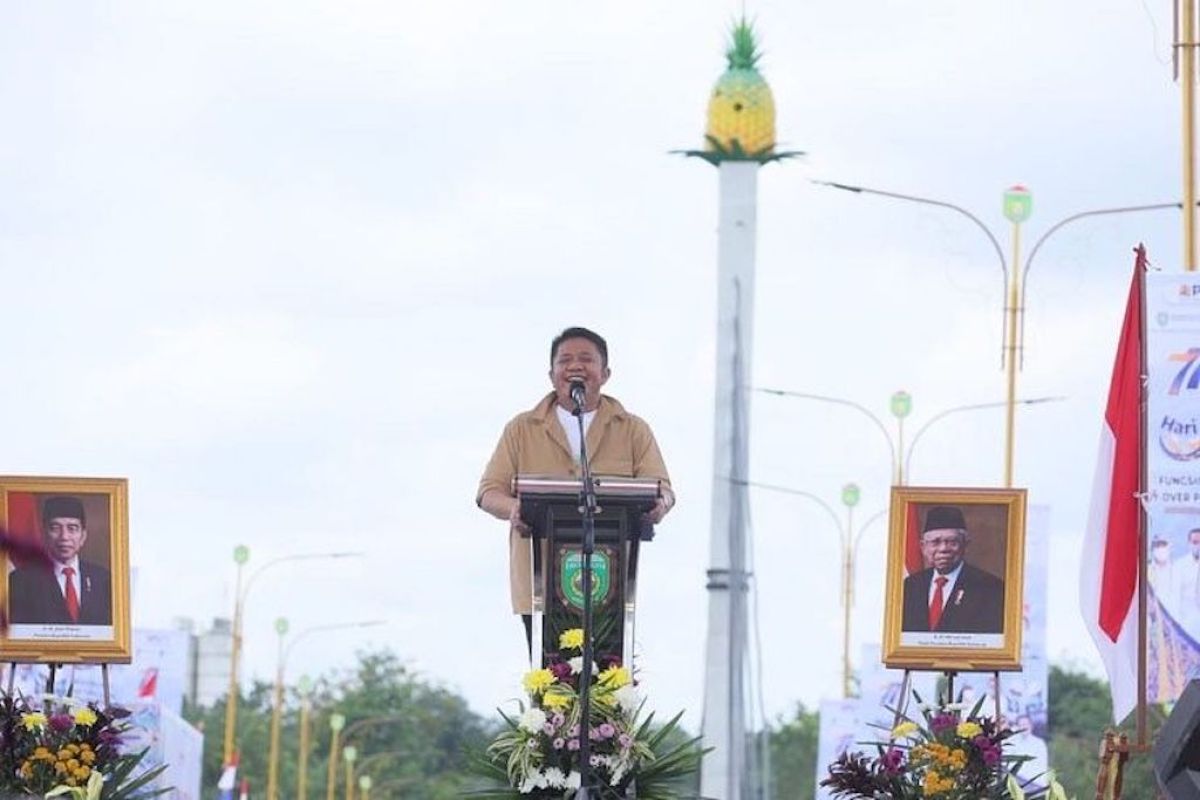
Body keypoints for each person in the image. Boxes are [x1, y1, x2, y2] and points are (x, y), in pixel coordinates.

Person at [476, 327, 674, 645]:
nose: (575, 366)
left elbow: (662, 489)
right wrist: (515, 508)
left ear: (605, 373)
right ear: (552, 374)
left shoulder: (633, 429)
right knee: (551, 683)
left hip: (609, 581)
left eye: (586, 359)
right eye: (565, 360)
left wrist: (660, 506)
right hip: (539, 581)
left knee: (609, 682)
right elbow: (488, 492)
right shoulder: (521, 429)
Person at [8, 496, 112, 626]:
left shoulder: (103, 579)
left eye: (72, 528)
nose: (64, 537)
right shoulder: (21, 580)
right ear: (44, 534)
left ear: (83, 536)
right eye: (55, 528)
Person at [900, 506, 1004, 634]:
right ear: (923, 547)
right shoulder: (910, 586)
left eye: (952, 542)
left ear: (965, 545)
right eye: (935, 542)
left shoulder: (990, 587)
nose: (943, 549)